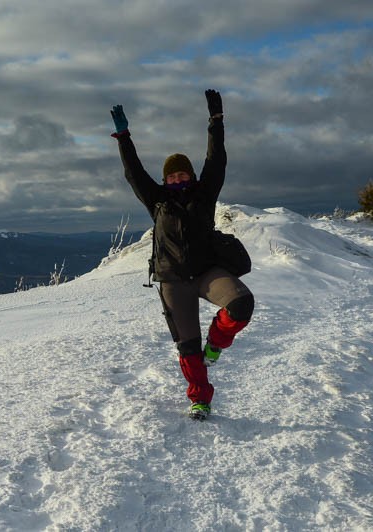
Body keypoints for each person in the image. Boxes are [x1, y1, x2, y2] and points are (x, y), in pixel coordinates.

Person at [110, 89, 254, 420]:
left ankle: (217, 343)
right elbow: (133, 171)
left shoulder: (204, 194)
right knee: (188, 347)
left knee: (241, 305)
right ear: (165, 179)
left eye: (182, 173)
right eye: (172, 175)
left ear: (190, 175)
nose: (177, 178)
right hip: (173, 281)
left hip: (207, 273)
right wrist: (123, 136)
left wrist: (216, 121)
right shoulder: (157, 200)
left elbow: (217, 160)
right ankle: (199, 399)